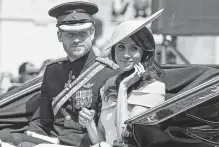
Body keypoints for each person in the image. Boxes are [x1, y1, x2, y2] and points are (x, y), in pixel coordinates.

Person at [0, 1, 120, 147]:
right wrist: (30, 137)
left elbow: (108, 132)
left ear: (92, 33)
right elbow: (41, 120)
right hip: (50, 141)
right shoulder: (52, 71)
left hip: (84, 143)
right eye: (70, 34)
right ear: (59, 35)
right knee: (7, 137)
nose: (76, 40)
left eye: (82, 33)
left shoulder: (109, 73)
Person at [89, 9, 165, 146]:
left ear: (145, 52)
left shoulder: (154, 88)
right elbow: (101, 140)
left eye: (134, 48)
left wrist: (123, 88)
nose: (125, 54)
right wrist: (89, 124)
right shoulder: (109, 85)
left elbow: (123, 139)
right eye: (121, 47)